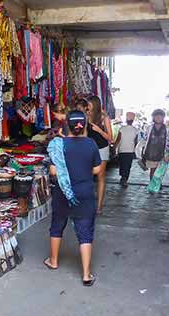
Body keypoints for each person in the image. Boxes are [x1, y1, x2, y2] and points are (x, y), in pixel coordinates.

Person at [44, 110, 102, 287]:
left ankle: (53, 261)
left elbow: (53, 171)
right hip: (84, 193)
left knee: (57, 226)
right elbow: (97, 170)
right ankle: (86, 274)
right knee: (85, 233)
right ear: (84, 125)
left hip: (63, 192)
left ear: (67, 125)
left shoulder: (58, 144)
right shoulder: (91, 144)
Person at [87, 96, 113, 214]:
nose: (88, 106)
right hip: (88, 149)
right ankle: (88, 203)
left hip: (102, 148)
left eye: (90, 104)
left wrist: (99, 130)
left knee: (100, 177)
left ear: (95, 104)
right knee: (87, 177)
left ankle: (99, 206)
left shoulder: (104, 118)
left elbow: (110, 138)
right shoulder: (86, 115)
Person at [141, 109, 169, 179]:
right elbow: (144, 140)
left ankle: (157, 184)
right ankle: (152, 185)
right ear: (153, 117)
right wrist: (142, 152)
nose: (158, 118)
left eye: (160, 116)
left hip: (162, 154)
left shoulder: (167, 129)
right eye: (156, 116)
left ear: (163, 118)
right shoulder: (149, 128)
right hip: (150, 154)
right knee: (153, 170)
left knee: (160, 171)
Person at [115, 112, 139, 187]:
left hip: (122, 150)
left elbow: (118, 140)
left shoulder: (122, 128)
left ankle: (123, 178)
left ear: (126, 120)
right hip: (130, 151)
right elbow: (136, 142)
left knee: (122, 165)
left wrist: (114, 147)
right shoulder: (135, 130)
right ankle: (124, 179)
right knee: (128, 165)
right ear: (133, 120)